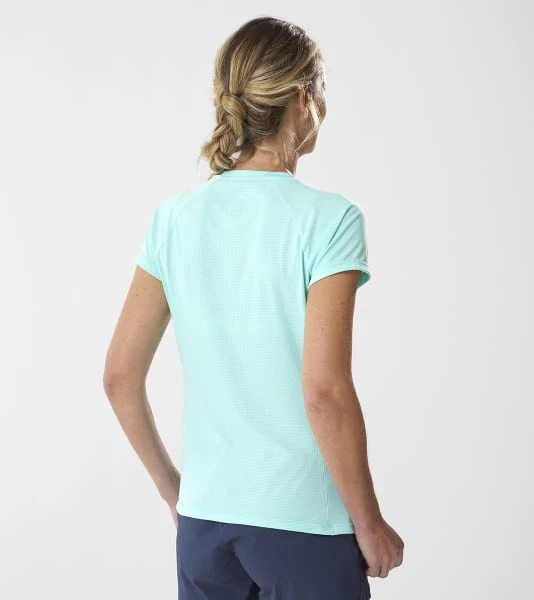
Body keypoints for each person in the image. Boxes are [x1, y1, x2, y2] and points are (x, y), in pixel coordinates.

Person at [103, 15, 404, 600]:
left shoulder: (175, 220)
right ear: (303, 99)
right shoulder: (330, 220)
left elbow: (119, 376)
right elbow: (324, 393)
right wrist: (368, 524)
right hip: (303, 527)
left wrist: (174, 492)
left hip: (204, 526)